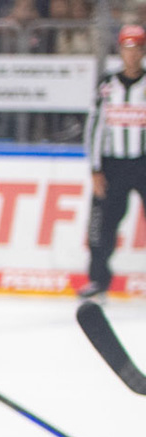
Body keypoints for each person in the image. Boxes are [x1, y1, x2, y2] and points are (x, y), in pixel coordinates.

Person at [81, 24, 146, 302]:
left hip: (143, 162)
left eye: (137, 49)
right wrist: (95, 168)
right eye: (127, 48)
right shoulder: (107, 85)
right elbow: (94, 127)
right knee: (102, 225)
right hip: (112, 165)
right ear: (120, 50)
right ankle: (98, 281)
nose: (131, 55)